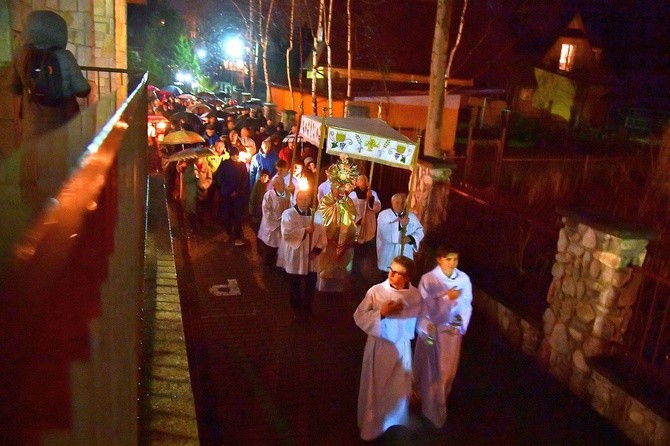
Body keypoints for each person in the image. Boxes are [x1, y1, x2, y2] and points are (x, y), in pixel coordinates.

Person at [353, 256, 422, 441]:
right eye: (391, 269)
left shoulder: (415, 295)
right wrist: (381, 314)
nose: (390, 274)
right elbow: (359, 315)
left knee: (396, 389)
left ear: (407, 277)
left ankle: (393, 420)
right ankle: (372, 427)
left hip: (401, 348)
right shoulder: (376, 291)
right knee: (376, 389)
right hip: (379, 348)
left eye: (396, 272)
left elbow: (419, 321)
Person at [413, 246, 473, 428]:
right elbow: (424, 305)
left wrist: (458, 323)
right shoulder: (429, 279)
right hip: (432, 331)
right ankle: (430, 407)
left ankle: (439, 402)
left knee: (446, 370)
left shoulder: (463, 279)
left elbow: (465, 303)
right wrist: (447, 297)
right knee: (431, 368)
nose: (452, 263)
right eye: (448, 259)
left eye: (455, 259)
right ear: (439, 259)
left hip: (451, 334)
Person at [10, 10, 91, 142]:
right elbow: (82, 90)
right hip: (63, 122)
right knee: (61, 158)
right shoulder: (65, 56)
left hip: (32, 123)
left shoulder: (20, 55)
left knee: (35, 159)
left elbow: (15, 88)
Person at [279, 189, 327, 321]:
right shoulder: (288, 214)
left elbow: (323, 235)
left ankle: (307, 306)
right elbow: (287, 233)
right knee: (295, 284)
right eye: (301, 199)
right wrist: (305, 231)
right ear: (296, 199)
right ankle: (296, 308)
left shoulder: (316, 215)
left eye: (307, 199)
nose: (304, 201)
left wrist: (316, 250)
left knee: (311, 283)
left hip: (312, 257)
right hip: (297, 255)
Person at [316, 159, 358, 293]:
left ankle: (338, 289)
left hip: (343, 236)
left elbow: (352, 216)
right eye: (336, 188)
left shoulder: (348, 201)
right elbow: (322, 216)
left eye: (341, 188)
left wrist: (346, 227)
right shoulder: (326, 201)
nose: (339, 191)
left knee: (340, 265)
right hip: (329, 238)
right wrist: (332, 228)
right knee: (326, 265)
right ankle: (323, 288)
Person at [376, 193, 424, 273]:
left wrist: (410, 239)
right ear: (392, 202)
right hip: (388, 255)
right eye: (397, 202)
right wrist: (400, 223)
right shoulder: (384, 215)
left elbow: (420, 231)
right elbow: (384, 231)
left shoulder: (411, 216)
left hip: (405, 254)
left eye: (403, 203)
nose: (400, 205)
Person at [349, 175, 382, 277]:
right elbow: (349, 209)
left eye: (366, 180)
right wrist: (358, 221)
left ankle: (360, 269)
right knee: (356, 247)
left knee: (365, 247)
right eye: (361, 180)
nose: (364, 182)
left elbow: (377, 208)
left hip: (368, 223)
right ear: (357, 182)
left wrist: (370, 198)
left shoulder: (372, 193)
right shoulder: (353, 194)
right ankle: (354, 270)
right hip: (357, 223)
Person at [216, 146, 249, 246]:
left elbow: (245, 180)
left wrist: (237, 191)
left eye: (237, 155)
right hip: (227, 194)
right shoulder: (224, 164)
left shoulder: (242, 165)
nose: (235, 157)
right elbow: (221, 178)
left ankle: (238, 236)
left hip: (238, 195)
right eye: (234, 155)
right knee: (228, 214)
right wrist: (229, 191)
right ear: (231, 155)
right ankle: (228, 233)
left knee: (237, 216)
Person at [257, 175, 290, 266]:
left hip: (283, 224)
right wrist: (275, 222)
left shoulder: (287, 193)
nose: (283, 186)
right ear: (275, 185)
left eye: (283, 184)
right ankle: (268, 265)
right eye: (280, 184)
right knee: (271, 248)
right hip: (273, 226)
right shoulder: (269, 195)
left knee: (280, 248)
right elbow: (266, 211)